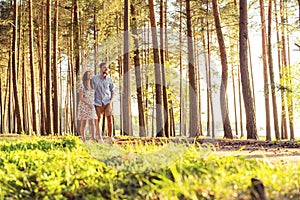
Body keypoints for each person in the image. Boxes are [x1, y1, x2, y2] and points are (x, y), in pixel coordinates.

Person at [93, 62, 114, 140]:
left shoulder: (109, 79)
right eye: (104, 67)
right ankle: (99, 137)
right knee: (98, 119)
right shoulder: (95, 78)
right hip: (97, 102)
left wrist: (111, 101)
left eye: (107, 68)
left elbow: (112, 91)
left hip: (107, 101)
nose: (106, 69)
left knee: (109, 118)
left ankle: (110, 137)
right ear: (100, 68)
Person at [77, 71, 98, 141]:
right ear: (85, 76)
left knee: (92, 121)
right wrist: (88, 104)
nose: (90, 75)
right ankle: (83, 138)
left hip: (91, 105)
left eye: (91, 74)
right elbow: (81, 98)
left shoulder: (92, 86)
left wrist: (93, 104)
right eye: (88, 74)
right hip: (84, 105)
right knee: (84, 122)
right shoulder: (81, 85)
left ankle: (93, 138)